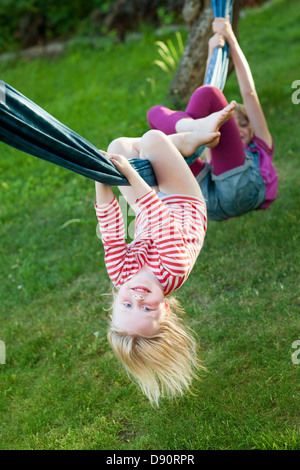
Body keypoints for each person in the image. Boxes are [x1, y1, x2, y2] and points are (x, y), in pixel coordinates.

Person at [95, 101, 236, 405]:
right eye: (147, 309)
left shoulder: (121, 276)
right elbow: (159, 216)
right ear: (166, 309)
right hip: (181, 203)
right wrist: (130, 174)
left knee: (117, 145)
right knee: (152, 141)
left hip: (147, 211)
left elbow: (110, 230)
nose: (138, 298)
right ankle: (188, 140)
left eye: (127, 304)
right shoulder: (174, 268)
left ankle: (185, 144)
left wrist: (101, 176)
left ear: (116, 300)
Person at [147, 16, 278, 221]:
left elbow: (249, 94)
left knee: (209, 95)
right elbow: (209, 90)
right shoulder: (217, 146)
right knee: (154, 114)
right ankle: (195, 127)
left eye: (244, 124)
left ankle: (194, 127)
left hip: (239, 188)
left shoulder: (262, 145)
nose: (241, 130)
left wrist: (231, 40)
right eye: (236, 124)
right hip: (208, 200)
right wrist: (212, 52)